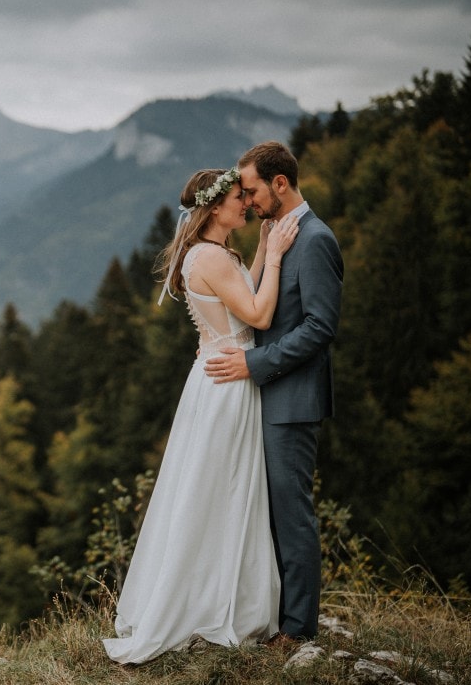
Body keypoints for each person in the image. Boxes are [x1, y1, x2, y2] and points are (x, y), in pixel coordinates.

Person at [103, 166, 300, 664]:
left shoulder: (211, 254)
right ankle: (211, 605)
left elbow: (239, 297)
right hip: (228, 383)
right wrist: (275, 257)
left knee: (213, 489)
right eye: (238, 197)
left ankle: (215, 595)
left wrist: (259, 252)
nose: (247, 203)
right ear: (215, 207)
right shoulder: (210, 255)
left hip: (216, 375)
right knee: (225, 488)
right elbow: (256, 315)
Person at [204, 141, 343, 644]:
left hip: (292, 400)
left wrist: (254, 363)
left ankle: (299, 630)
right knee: (264, 511)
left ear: (280, 183)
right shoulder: (279, 236)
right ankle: (270, 614)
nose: (249, 199)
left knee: (291, 511)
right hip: (266, 395)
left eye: (253, 189)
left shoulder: (316, 240)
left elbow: (319, 327)